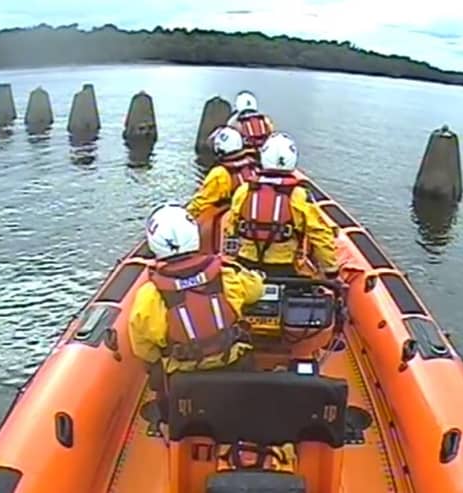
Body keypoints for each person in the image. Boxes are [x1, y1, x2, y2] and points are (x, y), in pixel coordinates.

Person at [129, 203, 265, 416]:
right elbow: (256, 290)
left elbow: (143, 347)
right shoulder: (226, 274)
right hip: (233, 367)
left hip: (184, 379)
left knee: (157, 372)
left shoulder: (150, 295)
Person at [224, 132, 338, 278]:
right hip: (284, 268)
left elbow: (231, 228)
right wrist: (331, 270)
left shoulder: (244, 191)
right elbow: (320, 235)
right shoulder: (299, 195)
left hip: (246, 265)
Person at [186, 126, 260, 219]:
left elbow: (200, 204)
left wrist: (183, 215)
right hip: (252, 215)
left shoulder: (220, 173)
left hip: (235, 219)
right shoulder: (253, 164)